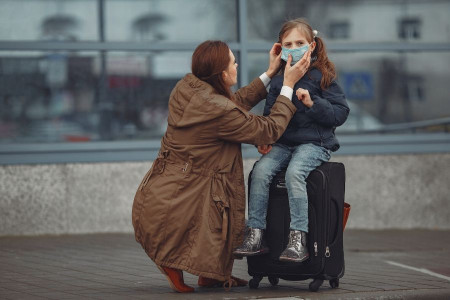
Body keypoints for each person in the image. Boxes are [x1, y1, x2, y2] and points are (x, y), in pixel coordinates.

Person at [131, 40, 310, 293]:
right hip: (184, 187)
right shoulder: (217, 108)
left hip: (173, 180)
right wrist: (288, 85)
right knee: (198, 226)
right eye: (233, 61)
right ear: (223, 74)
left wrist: (270, 74)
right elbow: (267, 130)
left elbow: (232, 107)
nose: (237, 64)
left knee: (214, 225)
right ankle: (170, 263)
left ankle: (211, 275)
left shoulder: (190, 89)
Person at [233, 18, 350, 263]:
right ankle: (255, 234)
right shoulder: (278, 78)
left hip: (315, 143)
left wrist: (313, 103)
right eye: (288, 43)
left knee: (294, 173)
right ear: (280, 48)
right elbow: (270, 113)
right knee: (260, 172)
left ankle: (299, 238)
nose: (294, 47)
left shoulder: (322, 75)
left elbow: (340, 114)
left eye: (300, 42)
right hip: (284, 143)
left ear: (312, 46)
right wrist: (265, 139)